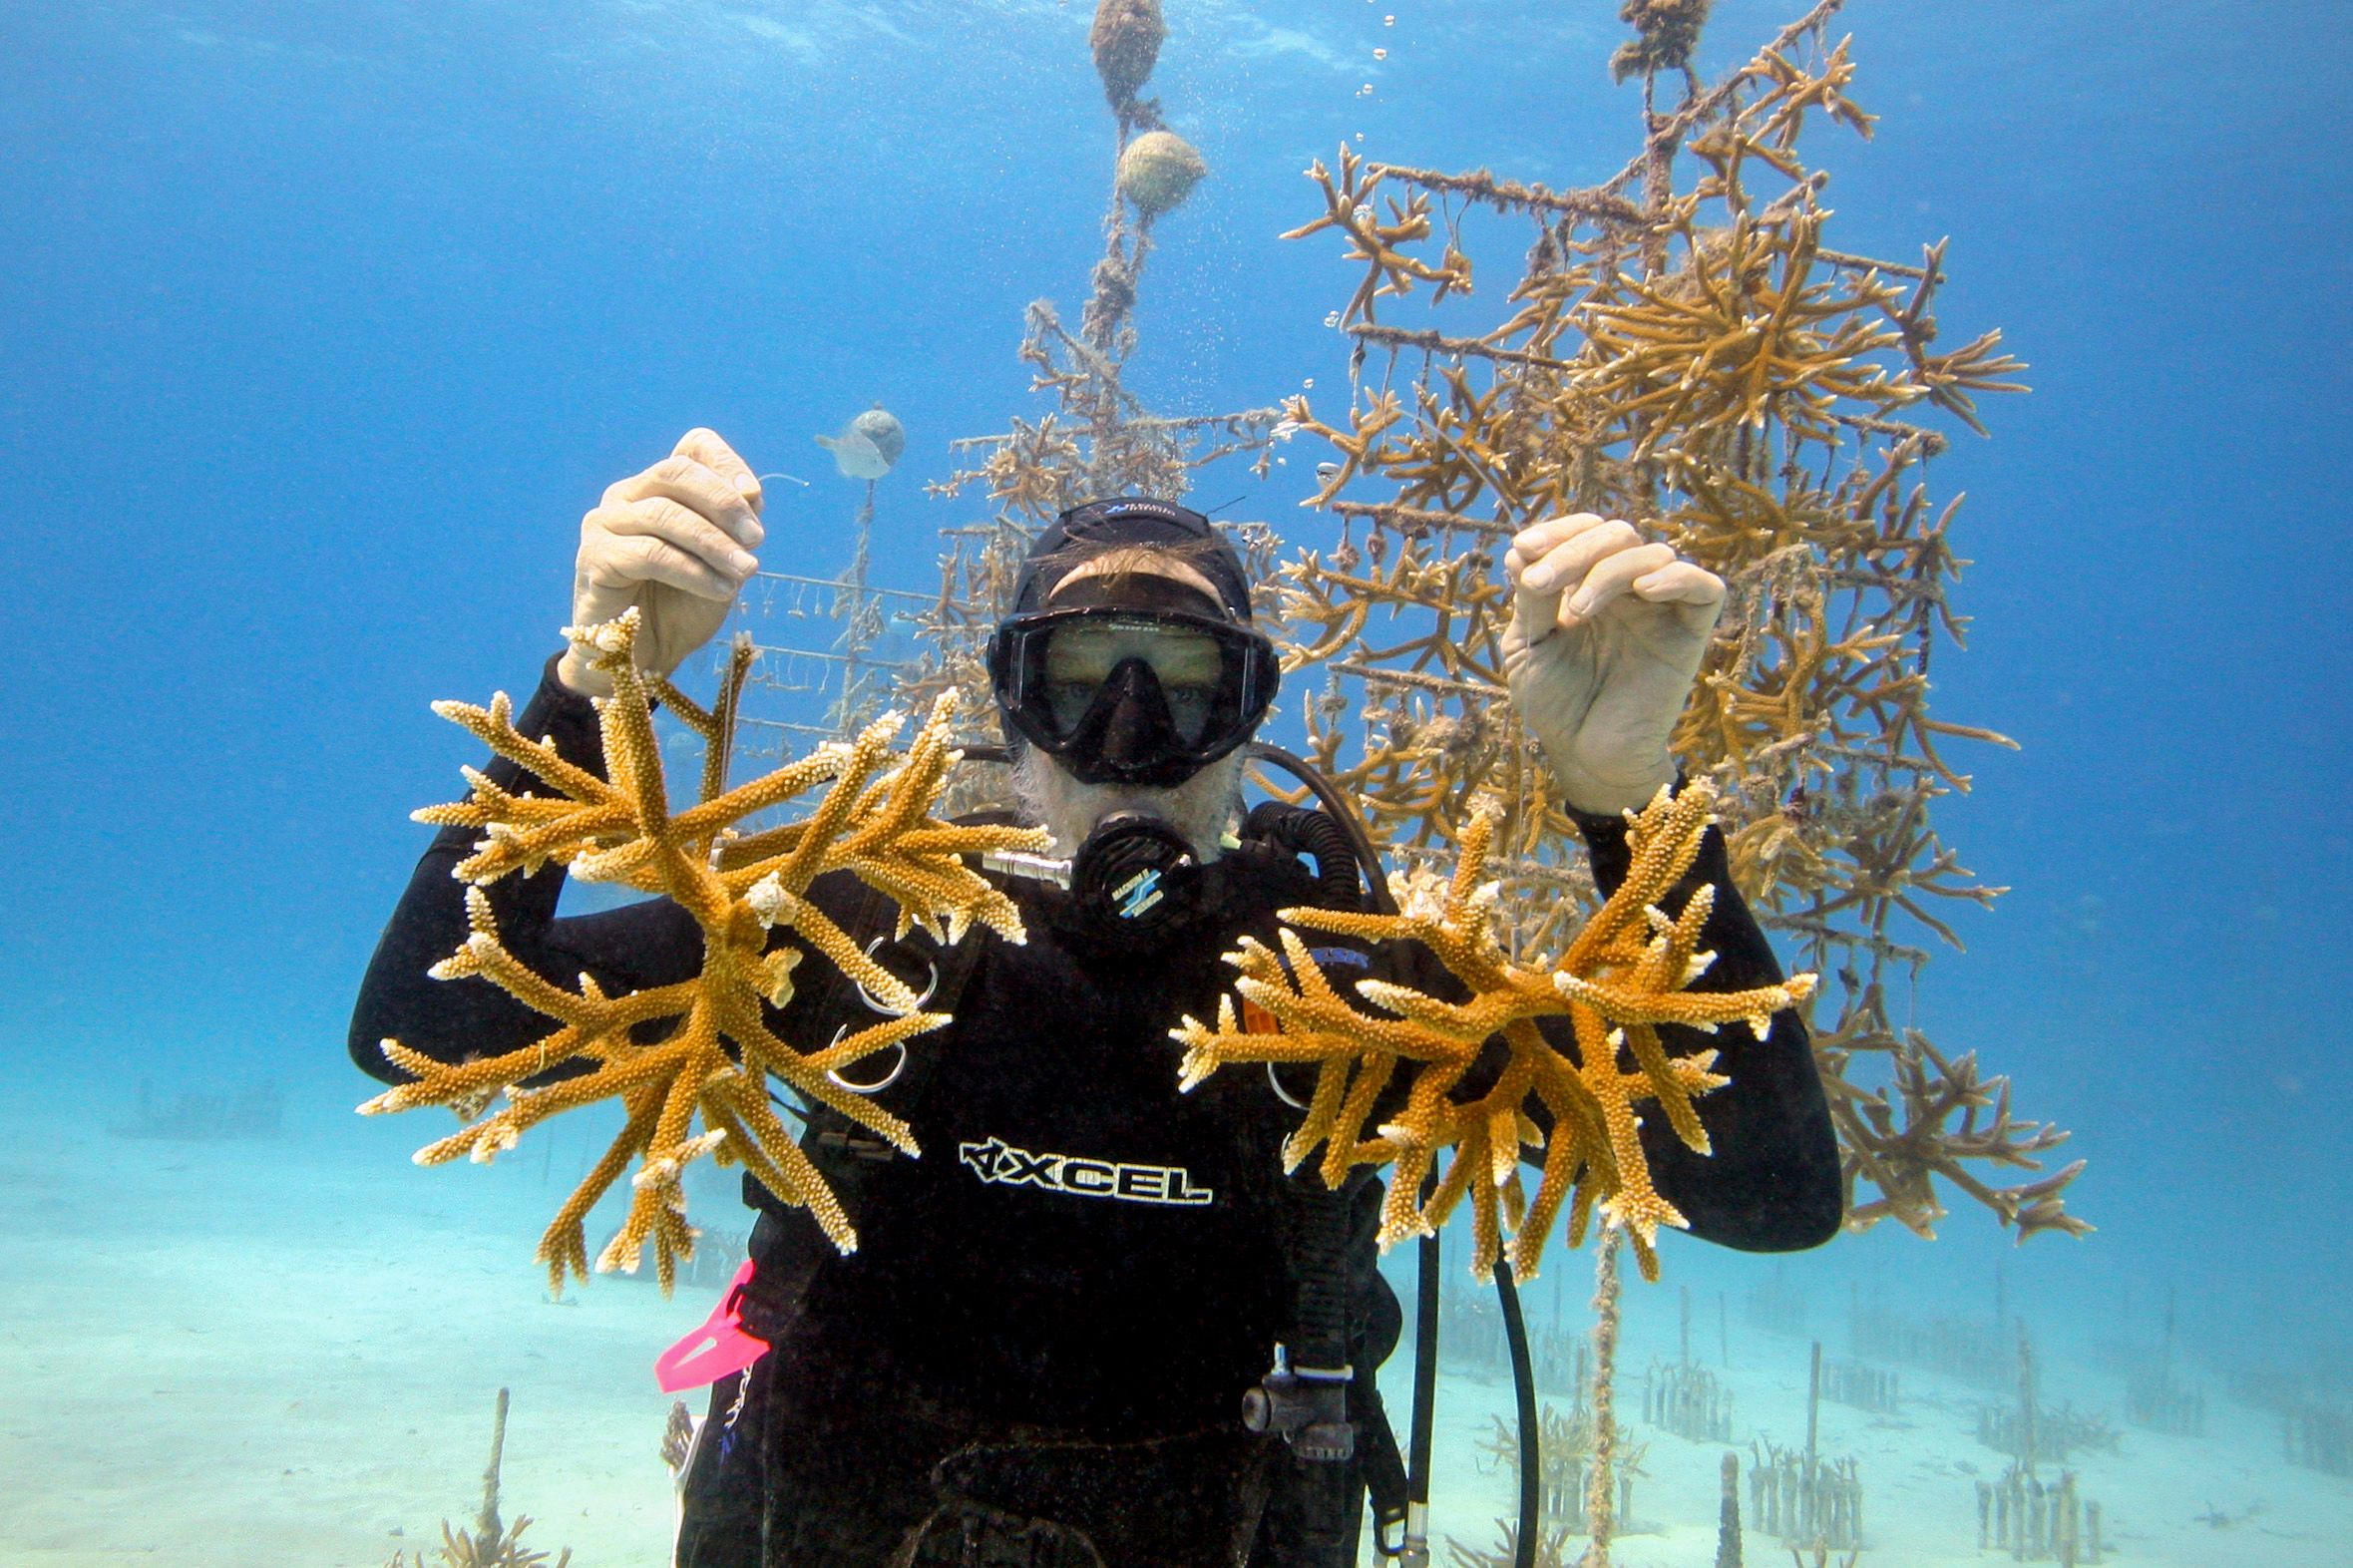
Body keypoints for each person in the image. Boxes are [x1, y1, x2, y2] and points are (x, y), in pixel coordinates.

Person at [350, 428, 1841, 1568]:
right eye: (1082, 676)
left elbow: (1770, 1195)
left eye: (1186, 677)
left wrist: (1626, 803)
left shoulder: (1346, 995)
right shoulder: (869, 933)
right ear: (1015, 708)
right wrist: (588, 681)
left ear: (1251, 713)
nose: (1132, 735)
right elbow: (430, 1026)